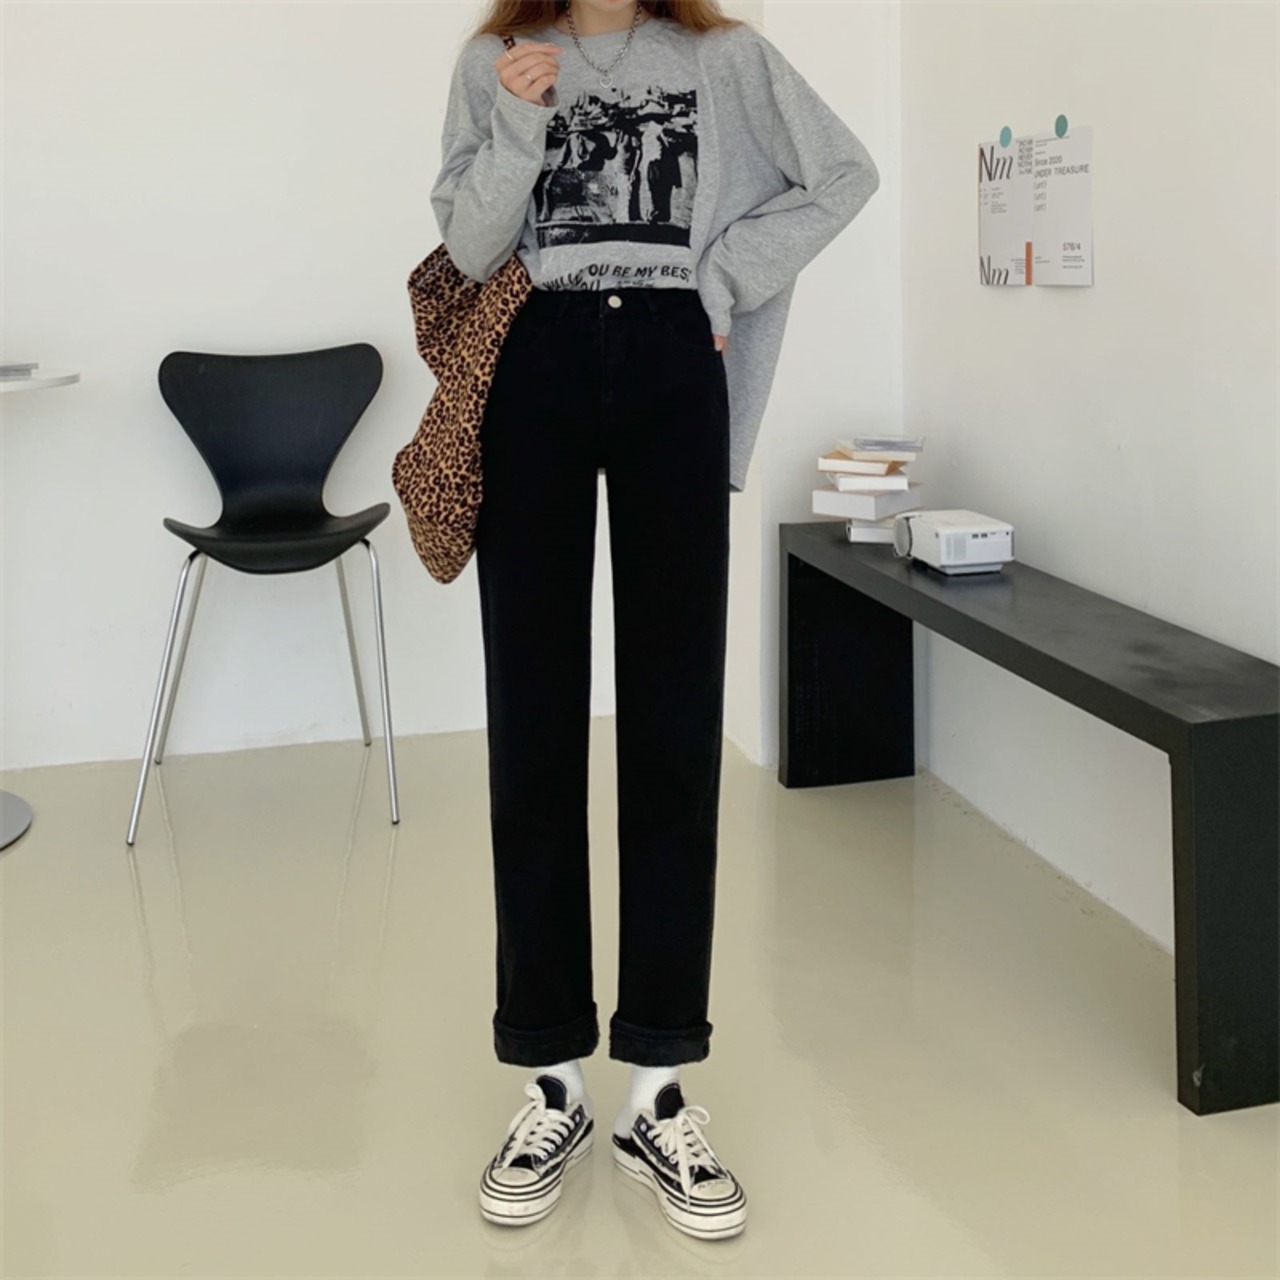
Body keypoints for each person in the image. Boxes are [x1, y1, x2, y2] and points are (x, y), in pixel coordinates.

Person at [430, 0, 880, 1240]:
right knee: (531, 718)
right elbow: (469, 249)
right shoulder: (492, 61)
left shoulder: (726, 58)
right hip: (531, 367)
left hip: (676, 360)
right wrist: (516, 122)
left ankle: (657, 1084)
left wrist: (718, 273)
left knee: (675, 722)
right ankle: (549, 1075)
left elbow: (843, 174)